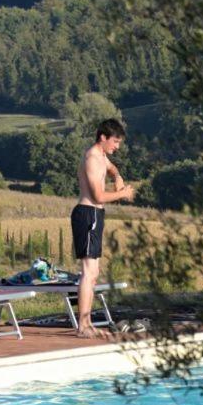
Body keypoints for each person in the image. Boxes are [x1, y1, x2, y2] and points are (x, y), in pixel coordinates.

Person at [71, 119, 134, 338]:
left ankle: (86, 323)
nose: (117, 146)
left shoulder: (102, 157)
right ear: (103, 138)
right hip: (87, 214)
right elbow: (98, 196)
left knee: (93, 273)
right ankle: (83, 326)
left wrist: (117, 177)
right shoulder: (92, 159)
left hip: (95, 215)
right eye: (115, 141)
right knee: (89, 273)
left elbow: (111, 167)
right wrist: (123, 193)